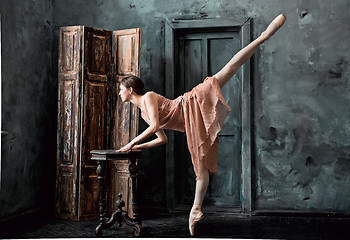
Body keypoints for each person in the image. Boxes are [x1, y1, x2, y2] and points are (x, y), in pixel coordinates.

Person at [117, 14, 286, 236]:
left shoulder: (147, 97)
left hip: (191, 102)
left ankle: (264, 36)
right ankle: (196, 210)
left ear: (130, 90)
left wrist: (130, 143)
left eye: (121, 89)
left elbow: (155, 126)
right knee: (201, 168)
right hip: (190, 123)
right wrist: (139, 147)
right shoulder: (143, 114)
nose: (119, 93)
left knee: (229, 69)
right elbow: (162, 138)